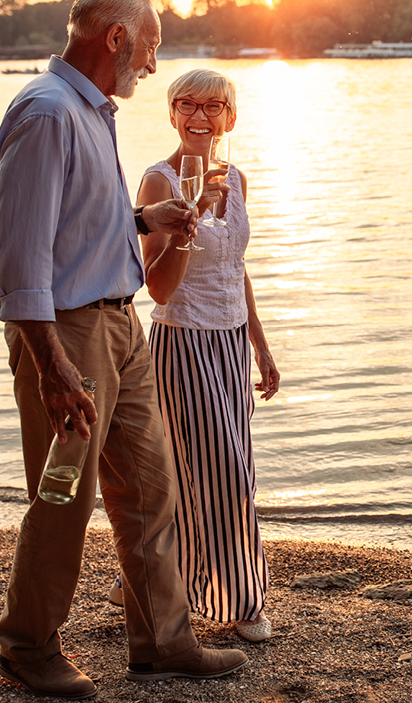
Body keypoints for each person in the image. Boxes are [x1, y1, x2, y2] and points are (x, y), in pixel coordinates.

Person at [0, 0, 248, 700]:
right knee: (63, 494)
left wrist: (147, 223)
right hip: (68, 334)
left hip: (120, 324)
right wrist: (52, 364)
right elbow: (19, 254)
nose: (155, 66)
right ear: (117, 37)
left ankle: (164, 642)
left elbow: (74, 224)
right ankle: (27, 647)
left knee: (150, 487)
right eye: (153, 46)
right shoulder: (46, 113)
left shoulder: (91, 111)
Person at [134, 69, 283, 642]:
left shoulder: (238, 178)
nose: (200, 116)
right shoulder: (156, 181)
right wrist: (188, 222)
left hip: (229, 343)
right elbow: (158, 288)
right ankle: (239, 600)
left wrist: (261, 348)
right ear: (171, 114)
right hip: (184, 341)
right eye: (187, 104)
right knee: (224, 476)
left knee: (204, 470)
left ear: (231, 117)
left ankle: (147, 577)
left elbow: (235, 268)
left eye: (213, 105)